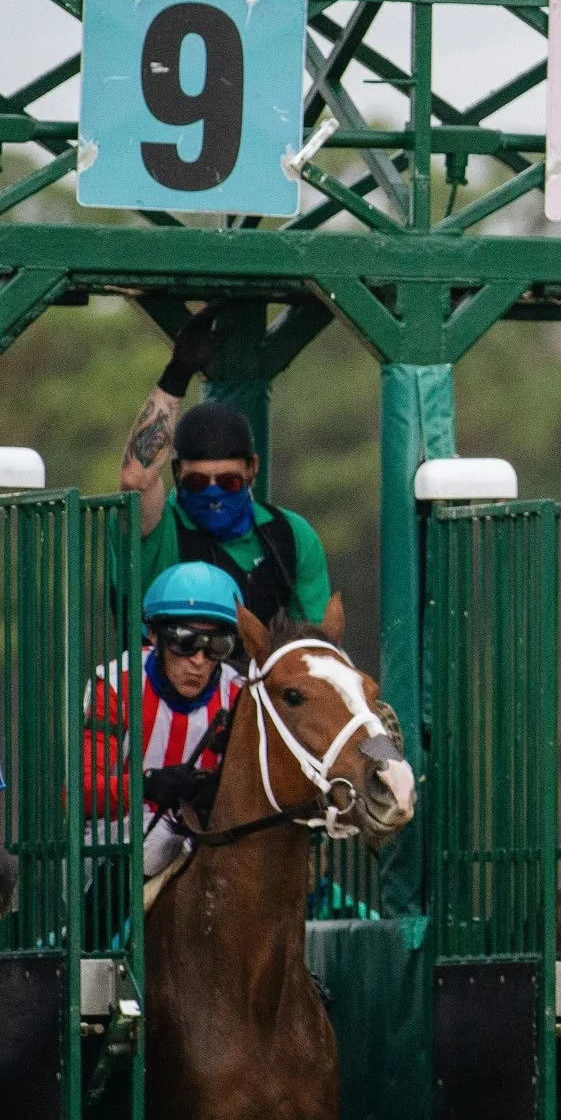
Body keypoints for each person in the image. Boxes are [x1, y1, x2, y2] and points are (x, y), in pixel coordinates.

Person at [120, 311, 330, 625]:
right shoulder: (159, 529)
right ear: (177, 472)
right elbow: (135, 479)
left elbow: (314, 644)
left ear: (251, 470)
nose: (213, 493)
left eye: (229, 482)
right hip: (165, 672)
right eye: (197, 482)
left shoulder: (292, 534)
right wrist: (176, 375)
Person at [85, 563, 246, 885]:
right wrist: (146, 784)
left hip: (201, 837)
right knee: (160, 840)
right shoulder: (116, 687)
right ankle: (92, 935)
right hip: (113, 839)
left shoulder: (239, 695)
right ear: (154, 634)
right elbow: (81, 794)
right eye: (184, 641)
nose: (199, 661)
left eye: (216, 646)